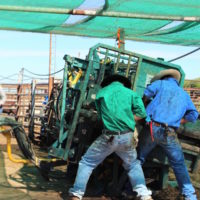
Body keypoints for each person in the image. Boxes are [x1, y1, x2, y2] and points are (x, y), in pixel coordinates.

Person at [68, 74, 153, 200]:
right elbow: (141, 113)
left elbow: (101, 116)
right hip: (127, 136)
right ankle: (145, 195)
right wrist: (128, 119)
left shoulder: (101, 93)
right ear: (123, 83)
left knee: (87, 162)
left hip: (109, 136)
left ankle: (76, 194)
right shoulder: (131, 93)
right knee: (133, 164)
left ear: (109, 83)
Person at [138, 69, 199, 200]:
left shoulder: (160, 84)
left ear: (164, 77)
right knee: (178, 164)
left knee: (138, 159)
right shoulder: (184, 94)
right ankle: (190, 196)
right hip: (169, 132)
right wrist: (178, 120)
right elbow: (194, 115)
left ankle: (132, 189)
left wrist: (143, 109)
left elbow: (145, 95)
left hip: (152, 128)